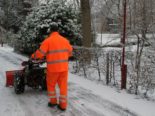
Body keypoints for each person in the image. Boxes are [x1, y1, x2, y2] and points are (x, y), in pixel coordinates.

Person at [31, 24, 73, 111]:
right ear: (58, 31)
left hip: (53, 69)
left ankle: (53, 102)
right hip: (64, 69)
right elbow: (70, 52)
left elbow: (40, 53)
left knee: (51, 86)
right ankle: (63, 105)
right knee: (63, 87)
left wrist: (33, 56)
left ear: (50, 31)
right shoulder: (65, 41)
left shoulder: (47, 41)